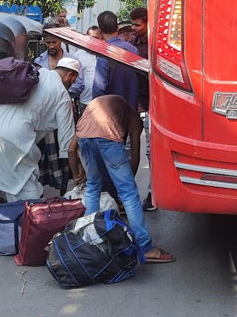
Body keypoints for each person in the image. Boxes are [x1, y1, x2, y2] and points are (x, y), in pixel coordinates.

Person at [0, 58, 79, 248]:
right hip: (16, 135)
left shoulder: (34, 73)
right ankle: (27, 227)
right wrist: (76, 172)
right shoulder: (62, 94)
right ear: (71, 76)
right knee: (24, 182)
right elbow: (67, 141)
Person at [69, 94, 174, 264]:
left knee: (93, 186)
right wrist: (126, 185)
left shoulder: (99, 106)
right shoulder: (133, 118)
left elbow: (70, 149)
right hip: (107, 136)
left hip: (84, 137)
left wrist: (76, 173)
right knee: (129, 194)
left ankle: (89, 241)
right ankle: (146, 248)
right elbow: (135, 155)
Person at [129, 7, 155, 211]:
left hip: (152, 106)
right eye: (132, 24)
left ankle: (153, 193)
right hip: (135, 104)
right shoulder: (132, 44)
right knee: (130, 148)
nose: (133, 27)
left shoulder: (153, 46)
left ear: (147, 24)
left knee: (150, 151)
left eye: (137, 24)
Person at [92, 12, 140, 110]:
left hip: (111, 110)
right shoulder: (133, 50)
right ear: (117, 28)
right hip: (132, 109)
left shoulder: (104, 53)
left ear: (100, 31)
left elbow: (100, 87)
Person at [35, 21, 86, 102]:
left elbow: (79, 85)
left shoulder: (73, 60)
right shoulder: (38, 62)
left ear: (61, 39)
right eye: (48, 43)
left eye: (54, 42)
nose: (51, 46)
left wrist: (60, 94)